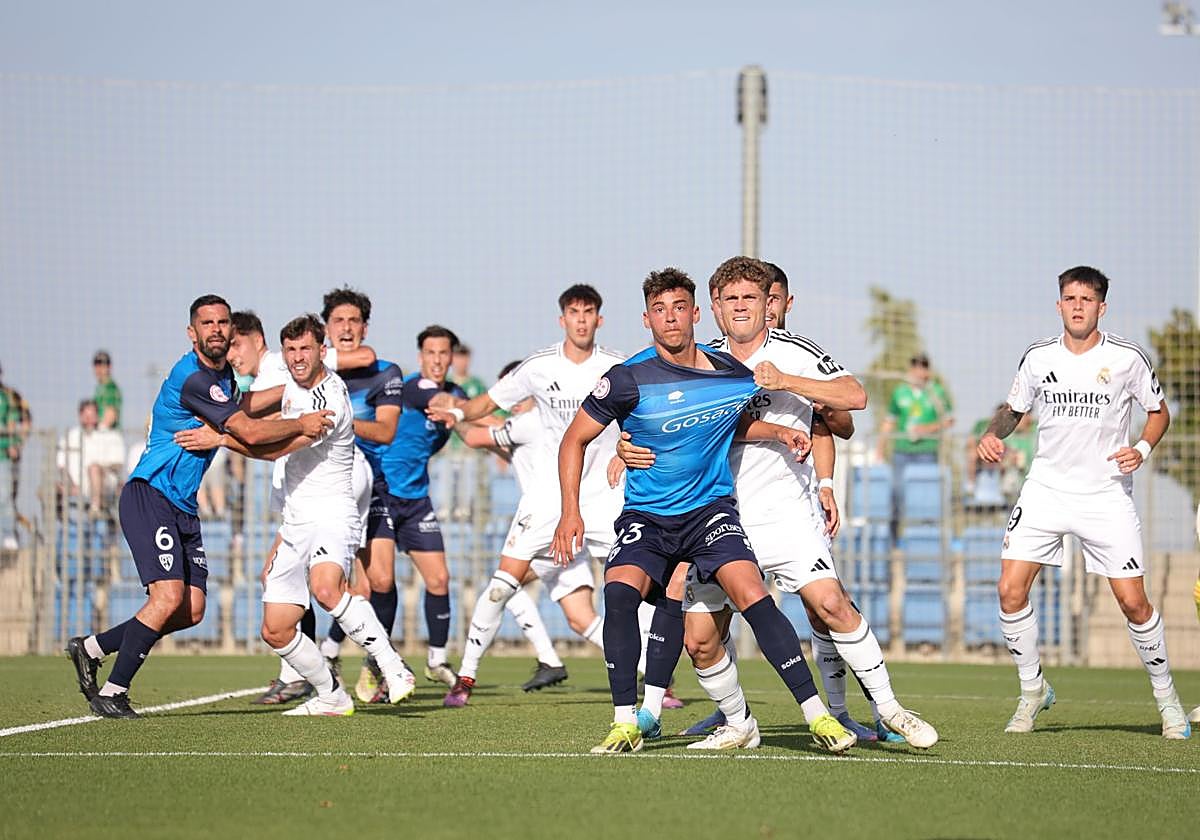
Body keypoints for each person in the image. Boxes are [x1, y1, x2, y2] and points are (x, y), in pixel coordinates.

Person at [621, 257, 936, 751]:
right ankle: (737, 722)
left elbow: (854, 397)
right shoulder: (705, 361)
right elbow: (660, 415)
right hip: (717, 513)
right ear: (716, 311)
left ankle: (891, 711)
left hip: (786, 511)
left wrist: (786, 381)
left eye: (750, 297)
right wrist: (626, 446)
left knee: (829, 604)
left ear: (769, 305)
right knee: (701, 639)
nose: (740, 307)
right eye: (730, 300)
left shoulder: (794, 351)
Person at [553, 267, 856, 755]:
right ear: (646, 319)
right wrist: (572, 509)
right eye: (659, 310)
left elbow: (744, 425)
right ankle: (625, 720)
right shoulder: (627, 377)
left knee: (753, 593)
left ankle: (819, 717)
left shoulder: (730, 375)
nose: (670, 319)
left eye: (678, 308)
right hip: (648, 518)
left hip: (709, 513)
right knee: (619, 594)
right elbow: (574, 439)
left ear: (695, 313)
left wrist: (780, 432)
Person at [64, 295, 334, 719]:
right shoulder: (191, 377)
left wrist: (300, 388)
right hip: (150, 493)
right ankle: (114, 692)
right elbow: (246, 429)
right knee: (168, 597)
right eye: (206, 323)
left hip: (181, 505)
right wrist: (301, 421)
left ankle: (92, 647)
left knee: (191, 609)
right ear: (192, 333)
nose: (216, 329)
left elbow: (243, 411)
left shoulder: (224, 375)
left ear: (232, 330)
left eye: (223, 322)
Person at [977, 265, 1189, 739]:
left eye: (1086, 300)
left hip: (1105, 494)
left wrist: (1143, 448)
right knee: (1010, 590)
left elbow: (1159, 412)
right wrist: (992, 435)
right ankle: (1032, 691)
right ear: (1058, 305)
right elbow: (1014, 409)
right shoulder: (1037, 357)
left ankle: (1167, 699)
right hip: (1046, 489)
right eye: (1070, 299)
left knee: (1133, 602)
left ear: (1101, 307)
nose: (1077, 306)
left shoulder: (1127, 359)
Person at [181, 315, 416, 715]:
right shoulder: (290, 382)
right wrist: (211, 403)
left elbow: (273, 449)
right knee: (275, 629)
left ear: (322, 351)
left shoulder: (330, 401)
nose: (297, 357)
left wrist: (220, 435)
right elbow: (250, 404)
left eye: (305, 349)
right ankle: (331, 696)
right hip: (296, 519)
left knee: (327, 589)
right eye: (290, 350)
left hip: (332, 512)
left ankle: (394, 668)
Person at [427, 285, 629, 706]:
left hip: (604, 497)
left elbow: (643, 412)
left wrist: (626, 453)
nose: (581, 319)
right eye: (573, 312)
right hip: (546, 502)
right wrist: (460, 412)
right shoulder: (538, 369)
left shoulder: (617, 366)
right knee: (502, 586)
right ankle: (465, 678)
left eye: (588, 312)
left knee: (635, 584)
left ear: (599, 319)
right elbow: (491, 401)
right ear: (562, 319)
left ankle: (654, 680)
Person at [227, 305, 379, 705]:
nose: (231, 354)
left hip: (330, 484)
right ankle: (327, 664)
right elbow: (245, 411)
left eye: (235, 344)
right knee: (338, 583)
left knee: (314, 583)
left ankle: (317, 669)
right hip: (305, 488)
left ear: (257, 341)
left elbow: (362, 357)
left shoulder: (280, 364)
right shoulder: (264, 383)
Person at [376, 325, 470, 687]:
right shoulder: (413, 388)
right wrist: (469, 411)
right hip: (383, 493)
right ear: (420, 357)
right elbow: (444, 406)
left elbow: (466, 418)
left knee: (440, 579)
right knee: (378, 584)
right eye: (430, 353)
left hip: (416, 499)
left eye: (443, 353)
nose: (436, 360)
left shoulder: (456, 393)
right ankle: (368, 659)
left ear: (451, 357)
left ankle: (436, 660)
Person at [877, 353, 953, 537]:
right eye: (916, 367)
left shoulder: (937, 391)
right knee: (896, 494)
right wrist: (880, 448)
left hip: (926, 452)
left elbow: (948, 420)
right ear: (910, 370)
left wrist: (926, 429)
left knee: (925, 497)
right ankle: (893, 540)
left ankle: (926, 538)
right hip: (901, 452)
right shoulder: (900, 392)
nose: (920, 371)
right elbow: (889, 422)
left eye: (924, 367)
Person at [56, 399, 126, 517]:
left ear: (97, 416)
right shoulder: (70, 436)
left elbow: (118, 465)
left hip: (104, 486)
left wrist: (100, 470)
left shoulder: (110, 436)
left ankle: (95, 509)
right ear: (80, 416)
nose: (89, 420)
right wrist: (71, 485)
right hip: (75, 488)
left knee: (94, 469)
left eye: (92, 416)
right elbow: (61, 465)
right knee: (51, 488)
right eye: (86, 416)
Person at [0, 364, 31, 549]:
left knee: (4, 496)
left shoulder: (9, 396)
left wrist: (17, 442)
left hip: (3, 455)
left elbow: (23, 420)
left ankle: (9, 535)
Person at [92, 350, 122, 431]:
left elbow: (110, 416)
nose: (99, 368)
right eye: (97, 364)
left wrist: (96, 433)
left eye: (103, 364)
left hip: (108, 435)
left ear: (109, 366)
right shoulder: (99, 389)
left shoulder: (110, 387)